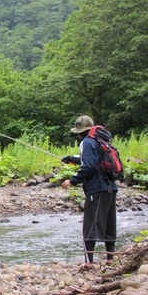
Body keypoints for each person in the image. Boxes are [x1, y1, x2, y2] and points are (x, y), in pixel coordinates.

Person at [61, 115, 118, 269]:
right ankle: (110, 258)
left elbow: (89, 166)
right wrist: (72, 158)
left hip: (96, 189)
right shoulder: (102, 140)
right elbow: (95, 160)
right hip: (111, 187)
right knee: (109, 223)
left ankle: (89, 262)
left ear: (80, 132)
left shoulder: (86, 142)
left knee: (90, 225)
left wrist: (71, 181)